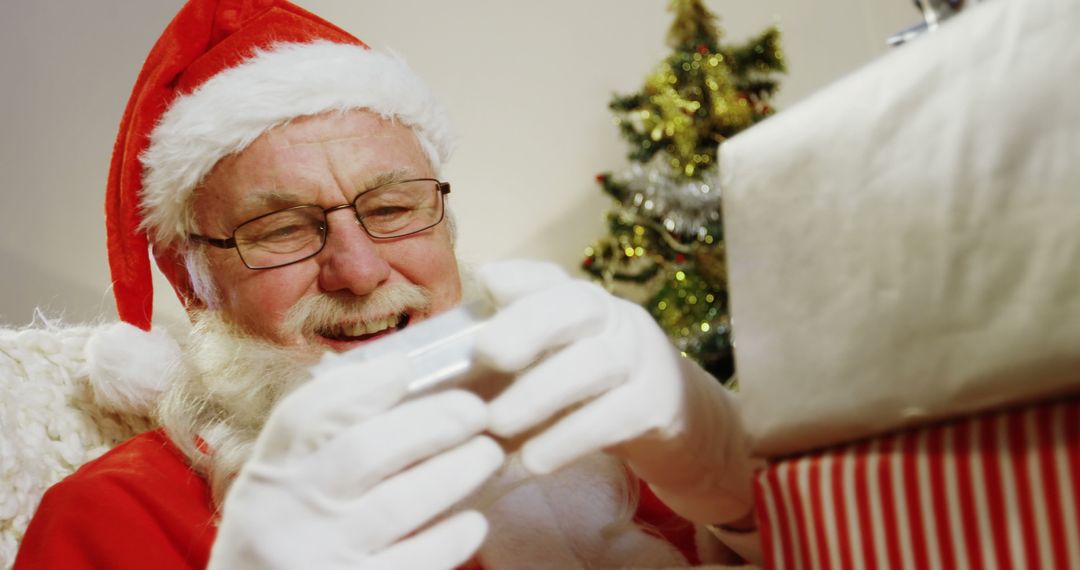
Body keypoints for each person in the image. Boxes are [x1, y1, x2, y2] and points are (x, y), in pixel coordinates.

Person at [15, 1, 761, 568]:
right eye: (280, 230)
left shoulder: (608, 436)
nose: (360, 271)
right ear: (195, 281)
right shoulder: (110, 515)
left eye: (394, 208)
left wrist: (745, 505)